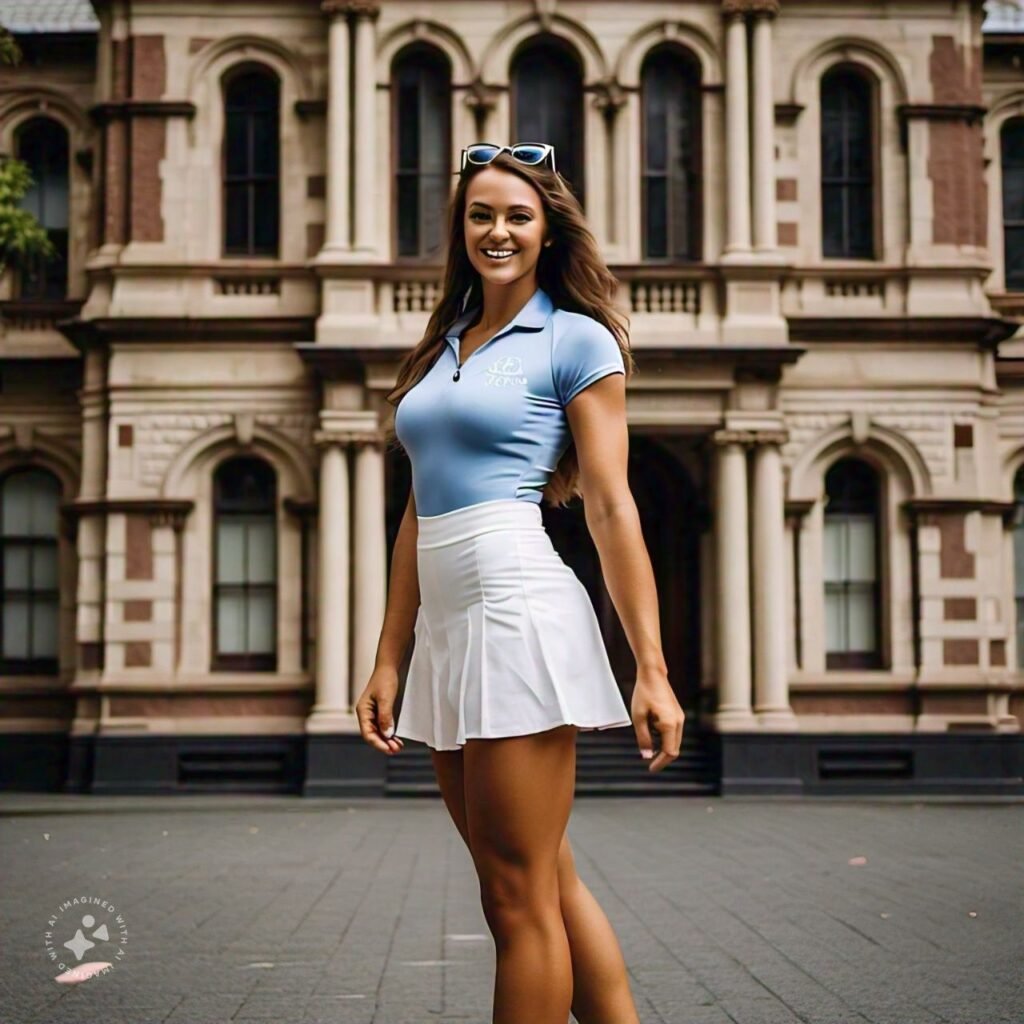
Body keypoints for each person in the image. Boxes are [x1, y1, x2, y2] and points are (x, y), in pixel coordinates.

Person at [355, 142, 685, 1024]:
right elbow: (419, 514)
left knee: (514, 898)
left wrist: (649, 667)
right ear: (460, 228)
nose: (496, 231)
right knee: (539, 874)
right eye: (480, 215)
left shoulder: (576, 338)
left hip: (515, 609)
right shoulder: (442, 347)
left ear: (547, 232)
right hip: (451, 627)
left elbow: (613, 507)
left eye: (517, 216)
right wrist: (391, 657)